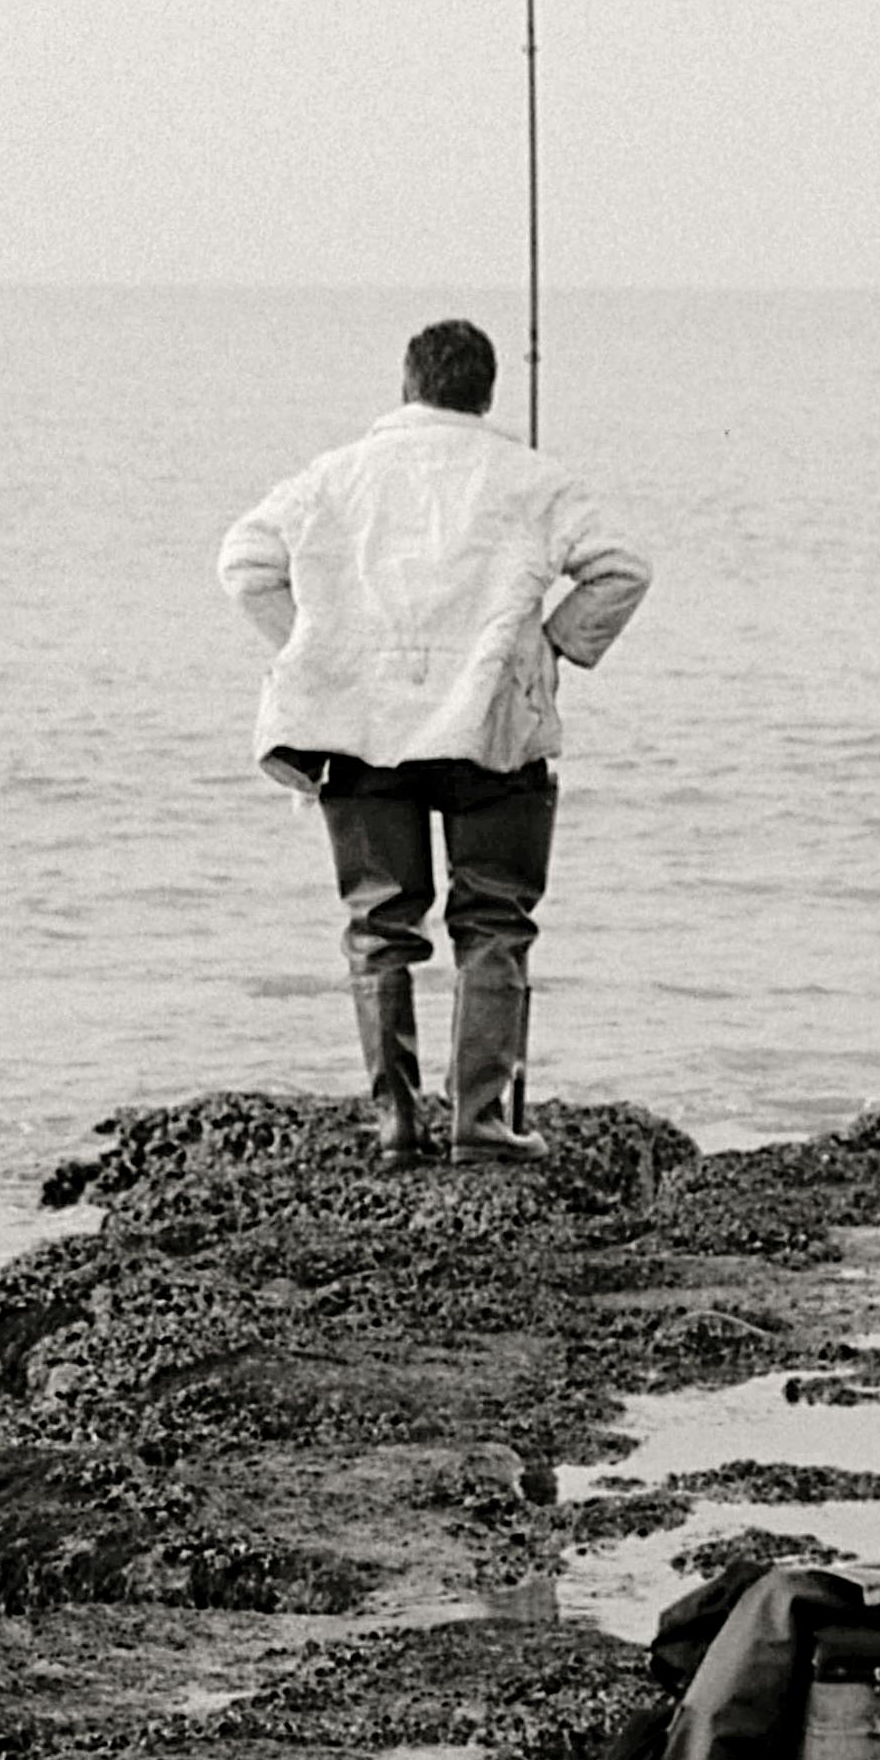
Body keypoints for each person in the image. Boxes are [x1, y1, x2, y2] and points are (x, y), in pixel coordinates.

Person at [217, 318, 650, 1166]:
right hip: (492, 729)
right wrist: (553, 646)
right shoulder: (532, 479)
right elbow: (622, 569)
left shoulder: (331, 478)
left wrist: (316, 655)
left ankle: (398, 1125)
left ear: (408, 384)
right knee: (494, 920)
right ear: (486, 393)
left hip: (361, 733)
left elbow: (242, 564)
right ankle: (482, 1125)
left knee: (379, 926)